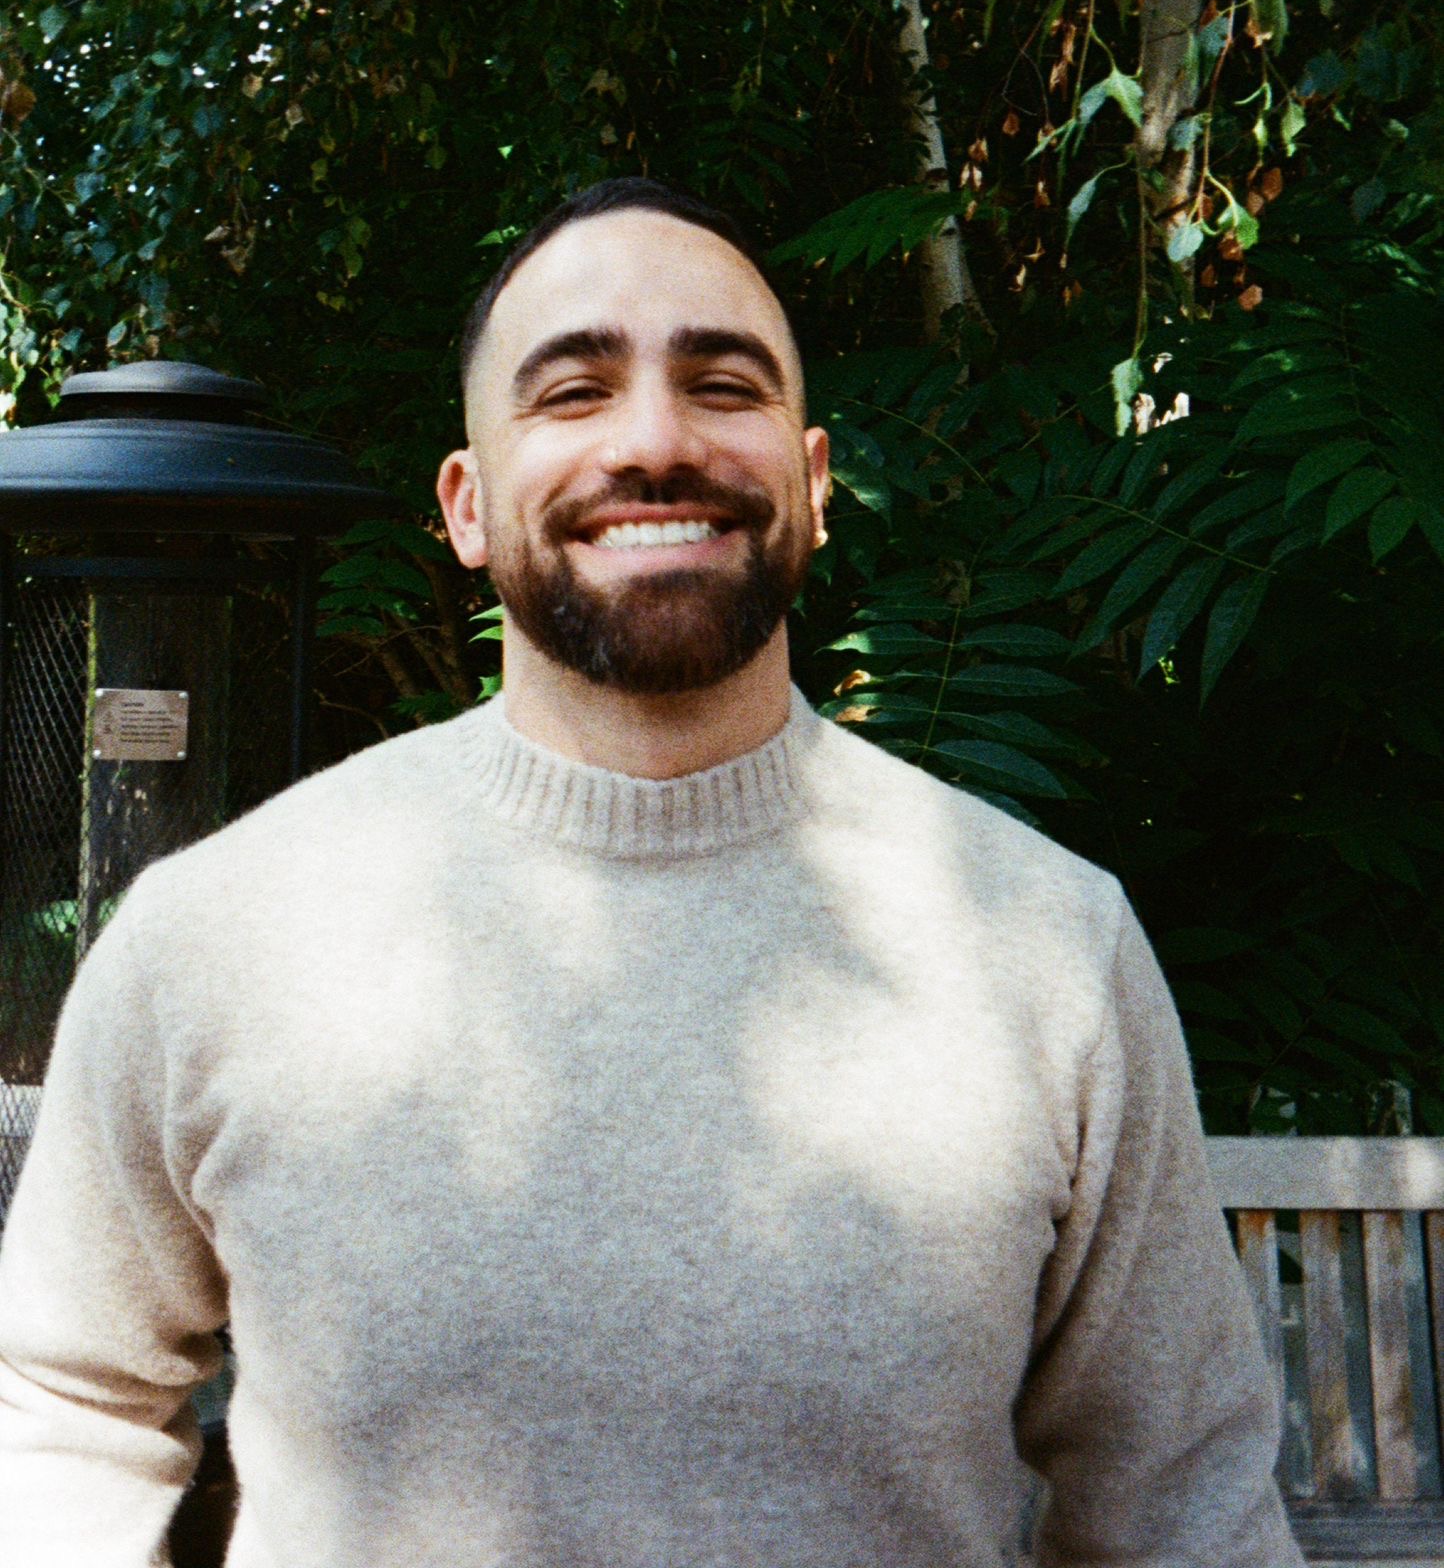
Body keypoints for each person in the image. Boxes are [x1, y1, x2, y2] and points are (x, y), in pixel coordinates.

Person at [0, 177, 1302, 1568]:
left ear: (813, 483)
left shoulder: (1046, 947)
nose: (657, 442)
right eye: (573, 393)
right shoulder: (222, 933)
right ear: (467, 506)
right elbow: (56, 1401)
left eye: (723, 386)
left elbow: (1185, 1510)